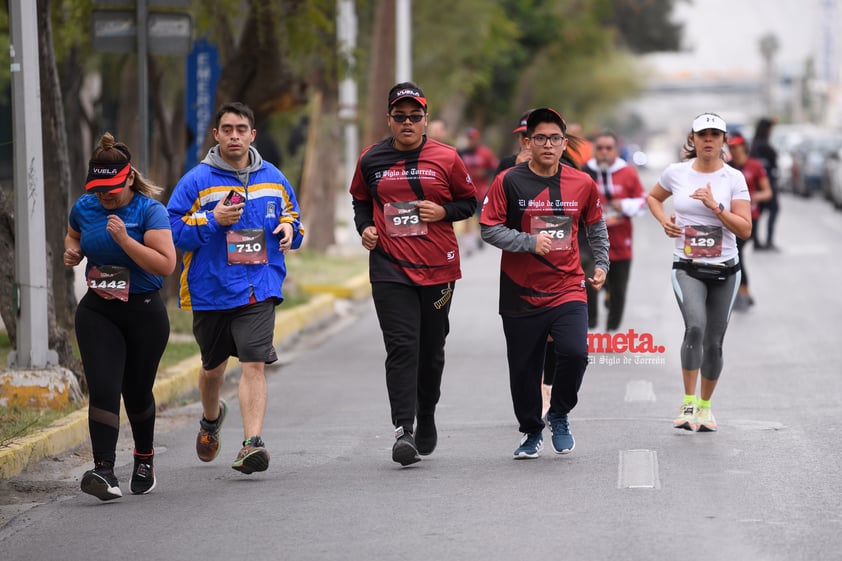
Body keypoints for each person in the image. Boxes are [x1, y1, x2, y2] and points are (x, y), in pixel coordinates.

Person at [167, 101, 304, 474]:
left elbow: (294, 215)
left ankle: (251, 443)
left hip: (258, 288)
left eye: (241, 129)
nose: (234, 136)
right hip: (210, 291)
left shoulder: (274, 177)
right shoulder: (197, 180)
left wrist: (292, 230)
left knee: (254, 363)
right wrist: (212, 220)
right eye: (227, 129)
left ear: (252, 135)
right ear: (216, 135)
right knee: (213, 370)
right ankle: (211, 421)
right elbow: (171, 230)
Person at [349, 82, 477, 466]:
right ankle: (403, 430)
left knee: (431, 349)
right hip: (390, 267)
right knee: (402, 346)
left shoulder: (448, 158)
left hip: (439, 268)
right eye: (400, 116)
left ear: (425, 119)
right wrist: (365, 229)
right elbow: (360, 201)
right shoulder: (371, 159)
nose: (408, 123)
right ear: (389, 119)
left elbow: (469, 203)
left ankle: (427, 414)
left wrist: (442, 212)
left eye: (415, 116)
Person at [480, 107, 608, 459]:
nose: (547, 144)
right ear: (527, 142)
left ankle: (559, 413)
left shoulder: (582, 183)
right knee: (523, 370)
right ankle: (531, 431)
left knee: (575, 353)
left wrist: (601, 263)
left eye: (554, 138)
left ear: (565, 143)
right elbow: (489, 227)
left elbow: (595, 225)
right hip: (519, 291)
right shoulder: (508, 180)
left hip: (567, 286)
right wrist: (528, 242)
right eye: (540, 138)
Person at [64, 133, 176, 500]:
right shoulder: (85, 207)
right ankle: (104, 471)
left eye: (111, 188)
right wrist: (74, 252)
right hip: (99, 309)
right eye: (98, 189)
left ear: (129, 178)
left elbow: (166, 265)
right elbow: (73, 235)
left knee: (137, 391)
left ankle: (144, 457)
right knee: (104, 389)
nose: (105, 195)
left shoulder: (149, 211)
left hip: (144, 311)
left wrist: (127, 241)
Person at [646, 113, 752, 432]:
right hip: (688, 266)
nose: (708, 140)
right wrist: (664, 220)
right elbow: (653, 197)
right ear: (693, 139)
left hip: (726, 269)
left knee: (714, 342)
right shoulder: (676, 173)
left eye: (715, 135)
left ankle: (705, 408)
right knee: (695, 327)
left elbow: (745, 229)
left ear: (723, 141)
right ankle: (688, 403)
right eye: (702, 134)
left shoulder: (733, 178)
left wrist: (715, 207)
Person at [582, 130, 647, 331]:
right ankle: (590, 323)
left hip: (620, 240)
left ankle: (611, 329)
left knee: (618, 289)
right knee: (587, 281)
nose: (603, 152)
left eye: (608, 148)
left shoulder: (627, 172)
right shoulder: (584, 172)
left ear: (616, 150)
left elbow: (643, 202)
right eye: (599, 148)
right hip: (590, 241)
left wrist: (624, 205)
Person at [727, 133, 773, 311]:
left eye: (737, 146)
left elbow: (767, 192)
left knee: (737, 253)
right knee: (734, 254)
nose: (734, 149)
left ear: (743, 146)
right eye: (730, 146)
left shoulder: (755, 166)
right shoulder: (727, 168)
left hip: (749, 218)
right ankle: (740, 292)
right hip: (731, 219)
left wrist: (752, 197)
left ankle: (744, 291)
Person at [458, 127, 499, 250]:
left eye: (474, 139)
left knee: (479, 217)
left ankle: (477, 236)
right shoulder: (462, 153)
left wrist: (485, 173)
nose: (472, 141)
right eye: (470, 139)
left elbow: (495, 168)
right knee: (467, 216)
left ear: (478, 139)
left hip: (482, 190)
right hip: (466, 190)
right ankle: (468, 242)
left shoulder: (485, 153)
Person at [750, 117, 780, 251]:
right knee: (773, 209)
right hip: (766, 184)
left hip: (757, 185)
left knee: (758, 212)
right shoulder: (764, 146)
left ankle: (756, 241)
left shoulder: (754, 145)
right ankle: (768, 241)